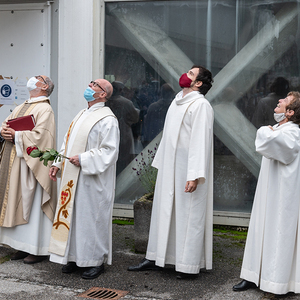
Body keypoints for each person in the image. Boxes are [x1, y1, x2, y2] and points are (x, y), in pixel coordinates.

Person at [128, 66, 214, 279]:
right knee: (163, 210)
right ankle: (156, 256)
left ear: (199, 83)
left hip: (187, 168)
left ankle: (187, 264)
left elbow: (200, 140)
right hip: (171, 166)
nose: (186, 74)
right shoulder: (177, 101)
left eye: (191, 74)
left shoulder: (201, 105)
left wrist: (194, 174)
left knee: (188, 213)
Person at [48, 79, 120, 280]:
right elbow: (67, 141)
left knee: (91, 219)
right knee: (73, 216)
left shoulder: (107, 119)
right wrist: (57, 163)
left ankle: (94, 261)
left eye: (94, 85)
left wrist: (84, 158)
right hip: (73, 177)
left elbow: (110, 151)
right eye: (90, 83)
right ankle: (73, 257)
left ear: (103, 94)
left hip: (92, 180)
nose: (89, 86)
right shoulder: (81, 114)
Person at [233, 91, 300, 295]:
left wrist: (265, 130)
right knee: (261, 229)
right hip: (269, 191)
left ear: (289, 112)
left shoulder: (293, 132)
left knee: (278, 231)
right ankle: (254, 275)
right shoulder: (281, 129)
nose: (278, 101)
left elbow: (264, 142)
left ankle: (277, 281)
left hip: (282, 195)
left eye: (284, 101)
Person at [0, 75, 57, 264]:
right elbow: (7, 123)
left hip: (31, 166)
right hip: (15, 161)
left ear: (45, 86)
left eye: (38, 78)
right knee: (17, 201)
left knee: (31, 204)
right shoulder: (22, 105)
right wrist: (4, 130)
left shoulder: (45, 108)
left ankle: (37, 248)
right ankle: (21, 246)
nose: (33, 79)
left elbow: (42, 138)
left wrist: (17, 135)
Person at [106, 81, 139, 175]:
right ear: (120, 90)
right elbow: (135, 118)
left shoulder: (106, 101)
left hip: (110, 134)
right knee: (124, 161)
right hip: (124, 134)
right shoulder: (126, 102)